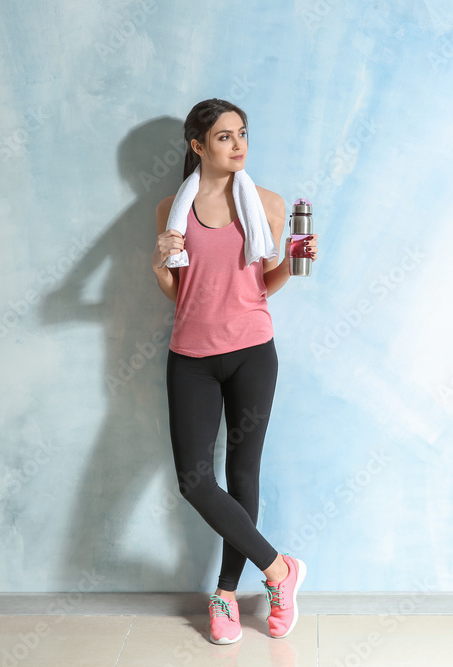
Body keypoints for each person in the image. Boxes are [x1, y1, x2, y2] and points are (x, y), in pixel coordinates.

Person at [151, 98, 319, 645]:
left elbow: (264, 284)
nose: (238, 144)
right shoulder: (170, 211)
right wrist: (159, 263)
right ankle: (279, 571)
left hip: (252, 351)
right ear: (198, 146)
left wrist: (296, 260)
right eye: (224, 137)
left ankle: (225, 595)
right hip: (191, 358)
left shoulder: (266, 204)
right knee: (195, 480)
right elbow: (178, 292)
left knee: (244, 477)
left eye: (242, 133)